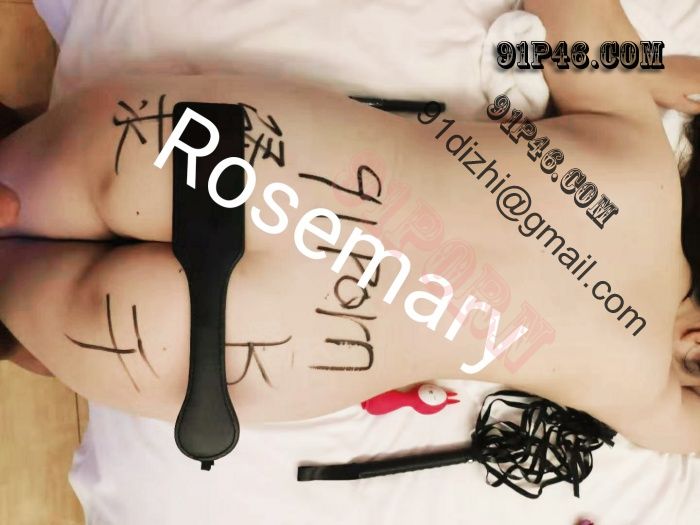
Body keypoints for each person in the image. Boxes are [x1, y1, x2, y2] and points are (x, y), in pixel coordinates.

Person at [0, 0, 699, 456]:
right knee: (25, 323)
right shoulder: (650, 393)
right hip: (221, 349)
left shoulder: (638, 153)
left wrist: (648, 69)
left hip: (217, 153)